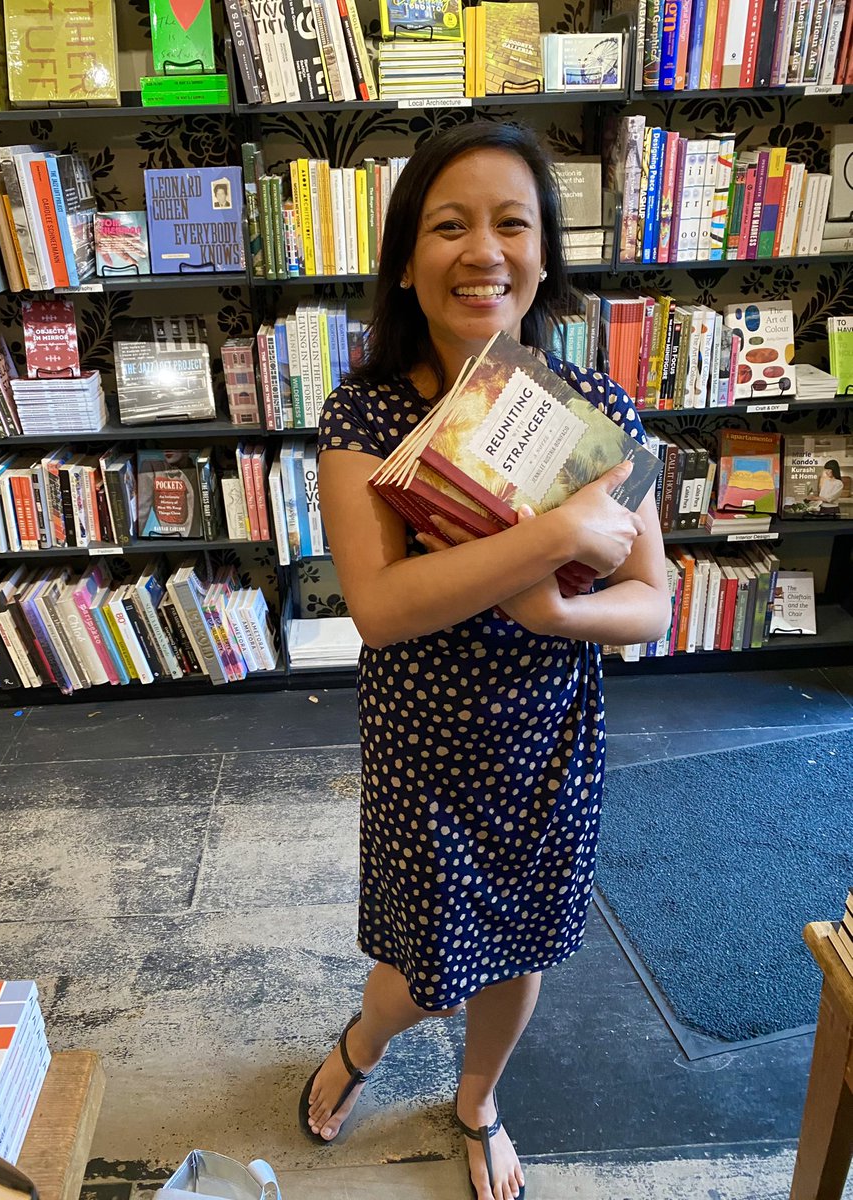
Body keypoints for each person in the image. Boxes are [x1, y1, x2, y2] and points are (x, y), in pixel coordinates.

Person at [305, 122, 671, 1200]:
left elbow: (653, 602)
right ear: (408, 263)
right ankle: (364, 1046)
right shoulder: (366, 414)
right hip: (427, 745)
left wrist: (558, 621)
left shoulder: (598, 416)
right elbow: (380, 606)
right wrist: (558, 538)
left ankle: (479, 1102)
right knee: (423, 964)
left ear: (545, 256)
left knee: (523, 949)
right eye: (448, 226)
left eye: (512, 223)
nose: (484, 251)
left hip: (552, 738)